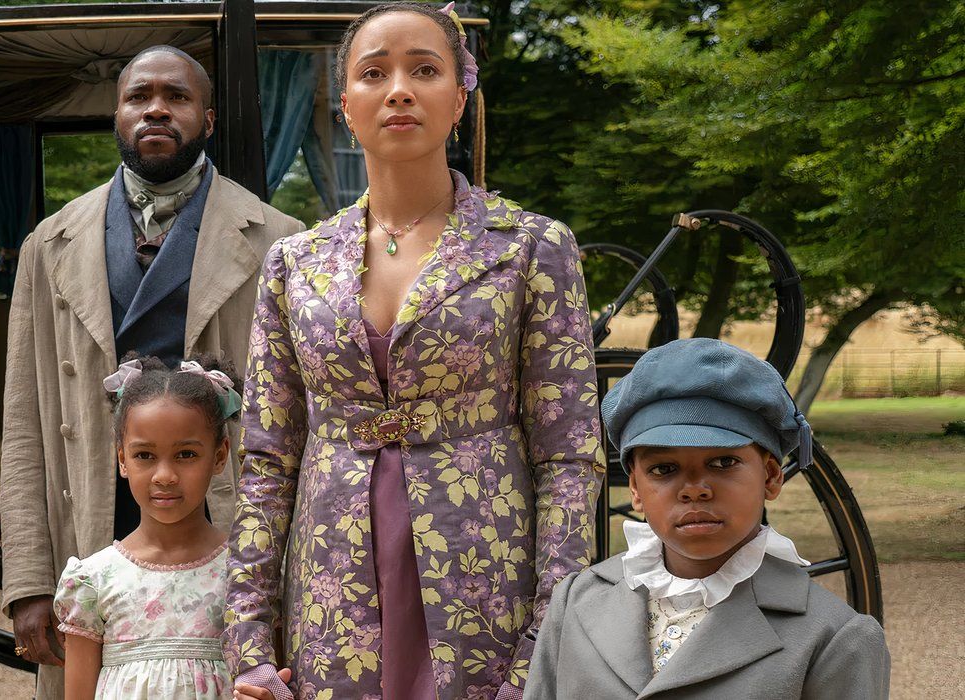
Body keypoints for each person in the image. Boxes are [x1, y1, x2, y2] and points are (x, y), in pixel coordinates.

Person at [223, 3, 603, 698]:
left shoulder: (532, 248)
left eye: (424, 70)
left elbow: (570, 458)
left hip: (484, 573)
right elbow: (267, 460)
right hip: (334, 584)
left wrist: (549, 634)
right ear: (346, 104)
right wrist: (248, 639)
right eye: (375, 73)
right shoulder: (294, 263)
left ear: (460, 95)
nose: (399, 88)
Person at [0, 44, 304, 698]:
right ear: (116, 116)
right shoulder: (47, 245)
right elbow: (24, 426)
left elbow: (303, 424)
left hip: (226, 539)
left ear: (209, 117)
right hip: (94, 525)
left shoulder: (279, 240)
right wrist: (27, 582)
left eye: (177, 96)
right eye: (140, 97)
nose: (157, 109)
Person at [525, 338, 891, 699]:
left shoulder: (833, 638)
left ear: (771, 476)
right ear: (635, 488)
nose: (695, 489)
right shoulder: (575, 601)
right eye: (664, 469)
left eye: (723, 462)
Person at [54, 355, 270, 699]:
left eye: (186, 454)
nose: (165, 476)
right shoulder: (91, 583)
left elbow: (266, 676)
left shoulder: (244, 575)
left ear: (219, 456)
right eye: (145, 456)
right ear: (122, 459)